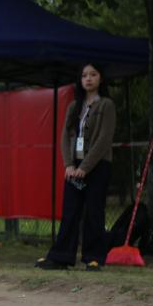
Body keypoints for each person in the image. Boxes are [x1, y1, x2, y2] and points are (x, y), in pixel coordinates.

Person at [36, 63, 116, 271]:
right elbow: (65, 136)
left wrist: (86, 167)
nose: (88, 79)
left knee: (94, 211)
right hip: (75, 166)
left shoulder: (106, 105)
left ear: (101, 78)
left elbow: (104, 139)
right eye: (84, 75)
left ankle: (94, 257)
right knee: (70, 210)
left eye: (93, 74)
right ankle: (60, 256)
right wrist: (69, 164)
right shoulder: (74, 106)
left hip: (98, 165)